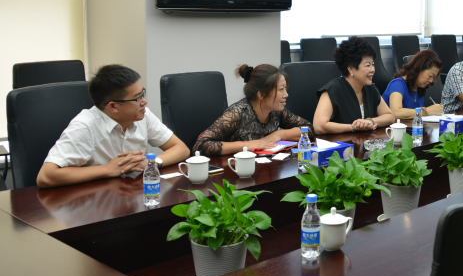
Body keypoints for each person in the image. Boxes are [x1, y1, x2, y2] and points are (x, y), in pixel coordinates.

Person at [37, 64, 190, 188]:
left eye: (142, 93)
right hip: (95, 203)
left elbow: (181, 149)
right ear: (113, 107)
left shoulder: (143, 115)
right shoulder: (84, 126)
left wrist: (151, 163)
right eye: (137, 98)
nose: (144, 102)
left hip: (134, 195)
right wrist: (107, 169)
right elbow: (46, 176)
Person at [194, 64, 313, 156]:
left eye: (285, 89)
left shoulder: (276, 111)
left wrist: (279, 134)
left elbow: (309, 129)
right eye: (281, 89)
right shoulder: (237, 113)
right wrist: (249, 145)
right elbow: (200, 145)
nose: (286, 94)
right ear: (261, 94)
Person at [314, 36, 395, 134]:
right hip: (341, 142)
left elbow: (390, 116)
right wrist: (354, 127)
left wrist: (370, 121)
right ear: (351, 69)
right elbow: (319, 126)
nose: (373, 70)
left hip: (365, 141)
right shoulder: (333, 90)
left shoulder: (370, 88)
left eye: (373, 65)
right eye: (368, 65)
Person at [382, 50, 444, 120]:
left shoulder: (420, 87)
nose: (431, 81)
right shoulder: (398, 84)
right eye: (430, 76)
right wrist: (426, 111)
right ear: (419, 69)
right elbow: (395, 113)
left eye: (434, 77)